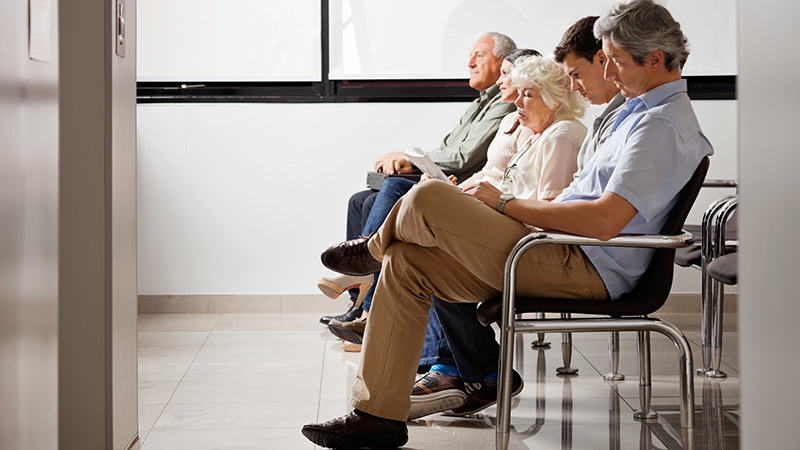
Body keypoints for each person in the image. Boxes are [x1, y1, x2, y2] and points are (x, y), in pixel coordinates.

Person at [301, 0, 713, 448]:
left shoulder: (661, 126)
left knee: (427, 195)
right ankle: (377, 413)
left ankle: (369, 253)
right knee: (407, 259)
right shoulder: (632, 115)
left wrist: (508, 204)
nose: (608, 73)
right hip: (556, 247)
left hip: (583, 265)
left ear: (654, 59)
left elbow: (603, 220)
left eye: (614, 61)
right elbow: (585, 201)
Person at [408, 14, 629, 420]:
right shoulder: (539, 132)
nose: (516, 101)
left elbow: (549, 212)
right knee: (426, 227)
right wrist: (480, 200)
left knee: (430, 224)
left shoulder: (564, 135)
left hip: (544, 244)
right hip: (530, 234)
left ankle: (465, 368)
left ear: (554, 96)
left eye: (528, 94)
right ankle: (456, 367)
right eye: (519, 93)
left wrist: (493, 204)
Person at [325, 48, 541, 352]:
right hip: (469, 187)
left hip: (488, 203)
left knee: (395, 193)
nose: (470, 63)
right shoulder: (493, 111)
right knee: (362, 200)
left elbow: (472, 161)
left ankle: (366, 285)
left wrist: (419, 166)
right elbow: (472, 162)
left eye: (480, 56)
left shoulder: (512, 116)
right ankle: (362, 297)